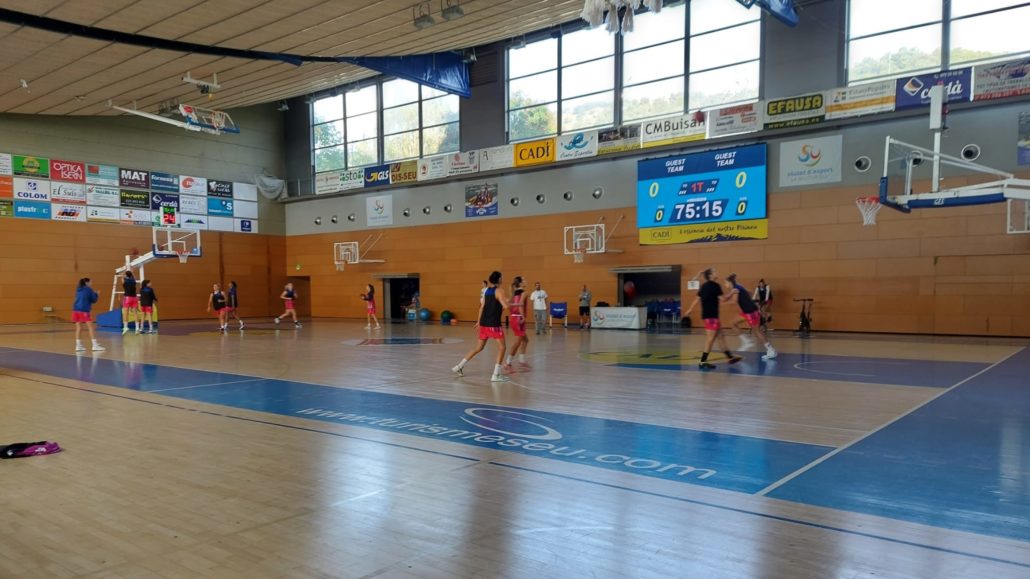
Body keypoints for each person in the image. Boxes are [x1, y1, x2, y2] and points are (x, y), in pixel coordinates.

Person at [453, 271, 511, 382]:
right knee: (502, 347)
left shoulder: (487, 291)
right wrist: (510, 302)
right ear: (499, 279)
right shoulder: (499, 290)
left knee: (478, 347)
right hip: (494, 324)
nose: (502, 279)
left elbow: (482, 307)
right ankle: (496, 375)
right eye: (502, 277)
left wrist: (479, 321)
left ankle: (459, 366)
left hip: (484, 323)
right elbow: (505, 306)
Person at [684, 268, 741, 371]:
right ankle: (702, 362)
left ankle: (730, 357)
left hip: (710, 316)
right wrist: (732, 292)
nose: (716, 273)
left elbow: (696, 299)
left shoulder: (704, 286)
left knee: (720, 336)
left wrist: (690, 309)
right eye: (714, 272)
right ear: (710, 275)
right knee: (710, 340)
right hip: (711, 317)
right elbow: (723, 299)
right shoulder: (715, 286)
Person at [724, 274, 777, 360]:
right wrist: (746, 299)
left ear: (730, 282)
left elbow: (734, 301)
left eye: (725, 283)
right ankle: (746, 341)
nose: (725, 285)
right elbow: (749, 291)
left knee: (757, 332)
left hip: (751, 312)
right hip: (747, 311)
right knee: (733, 323)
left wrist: (723, 302)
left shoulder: (736, 289)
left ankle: (771, 350)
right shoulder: (739, 286)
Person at [72, 278, 105, 352]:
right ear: (87, 283)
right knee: (90, 327)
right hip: (83, 310)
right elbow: (94, 300)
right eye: (90, 282)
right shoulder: (88, 289)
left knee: (78, 328)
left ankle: (78, 346)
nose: (91, 283)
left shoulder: (78, 289)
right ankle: (94, 345)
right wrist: (97, 294)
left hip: (75, 310)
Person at [505, 276, 529, 369]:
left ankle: (521, 360)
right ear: (520, 283)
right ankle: (508, 362)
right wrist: (523, 317)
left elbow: (509, 305)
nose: (526, 281)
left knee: (526, 340)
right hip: (518, 318)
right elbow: (521, 305)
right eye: (524, 280)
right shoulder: (524, 293)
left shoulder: (513, 293)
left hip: (513, 318)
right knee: (518, 342)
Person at [121, 270, 141, 334]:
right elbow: (134, 277)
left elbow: (122, 277)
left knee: (125, 313)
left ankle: (125, 327)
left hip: (127, 298)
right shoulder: (133, 281)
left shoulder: (125, 281)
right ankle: (137, 328)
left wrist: (123, 272)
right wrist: (132, 272)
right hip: (134, 298)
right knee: (135, 313)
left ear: (126, 276)